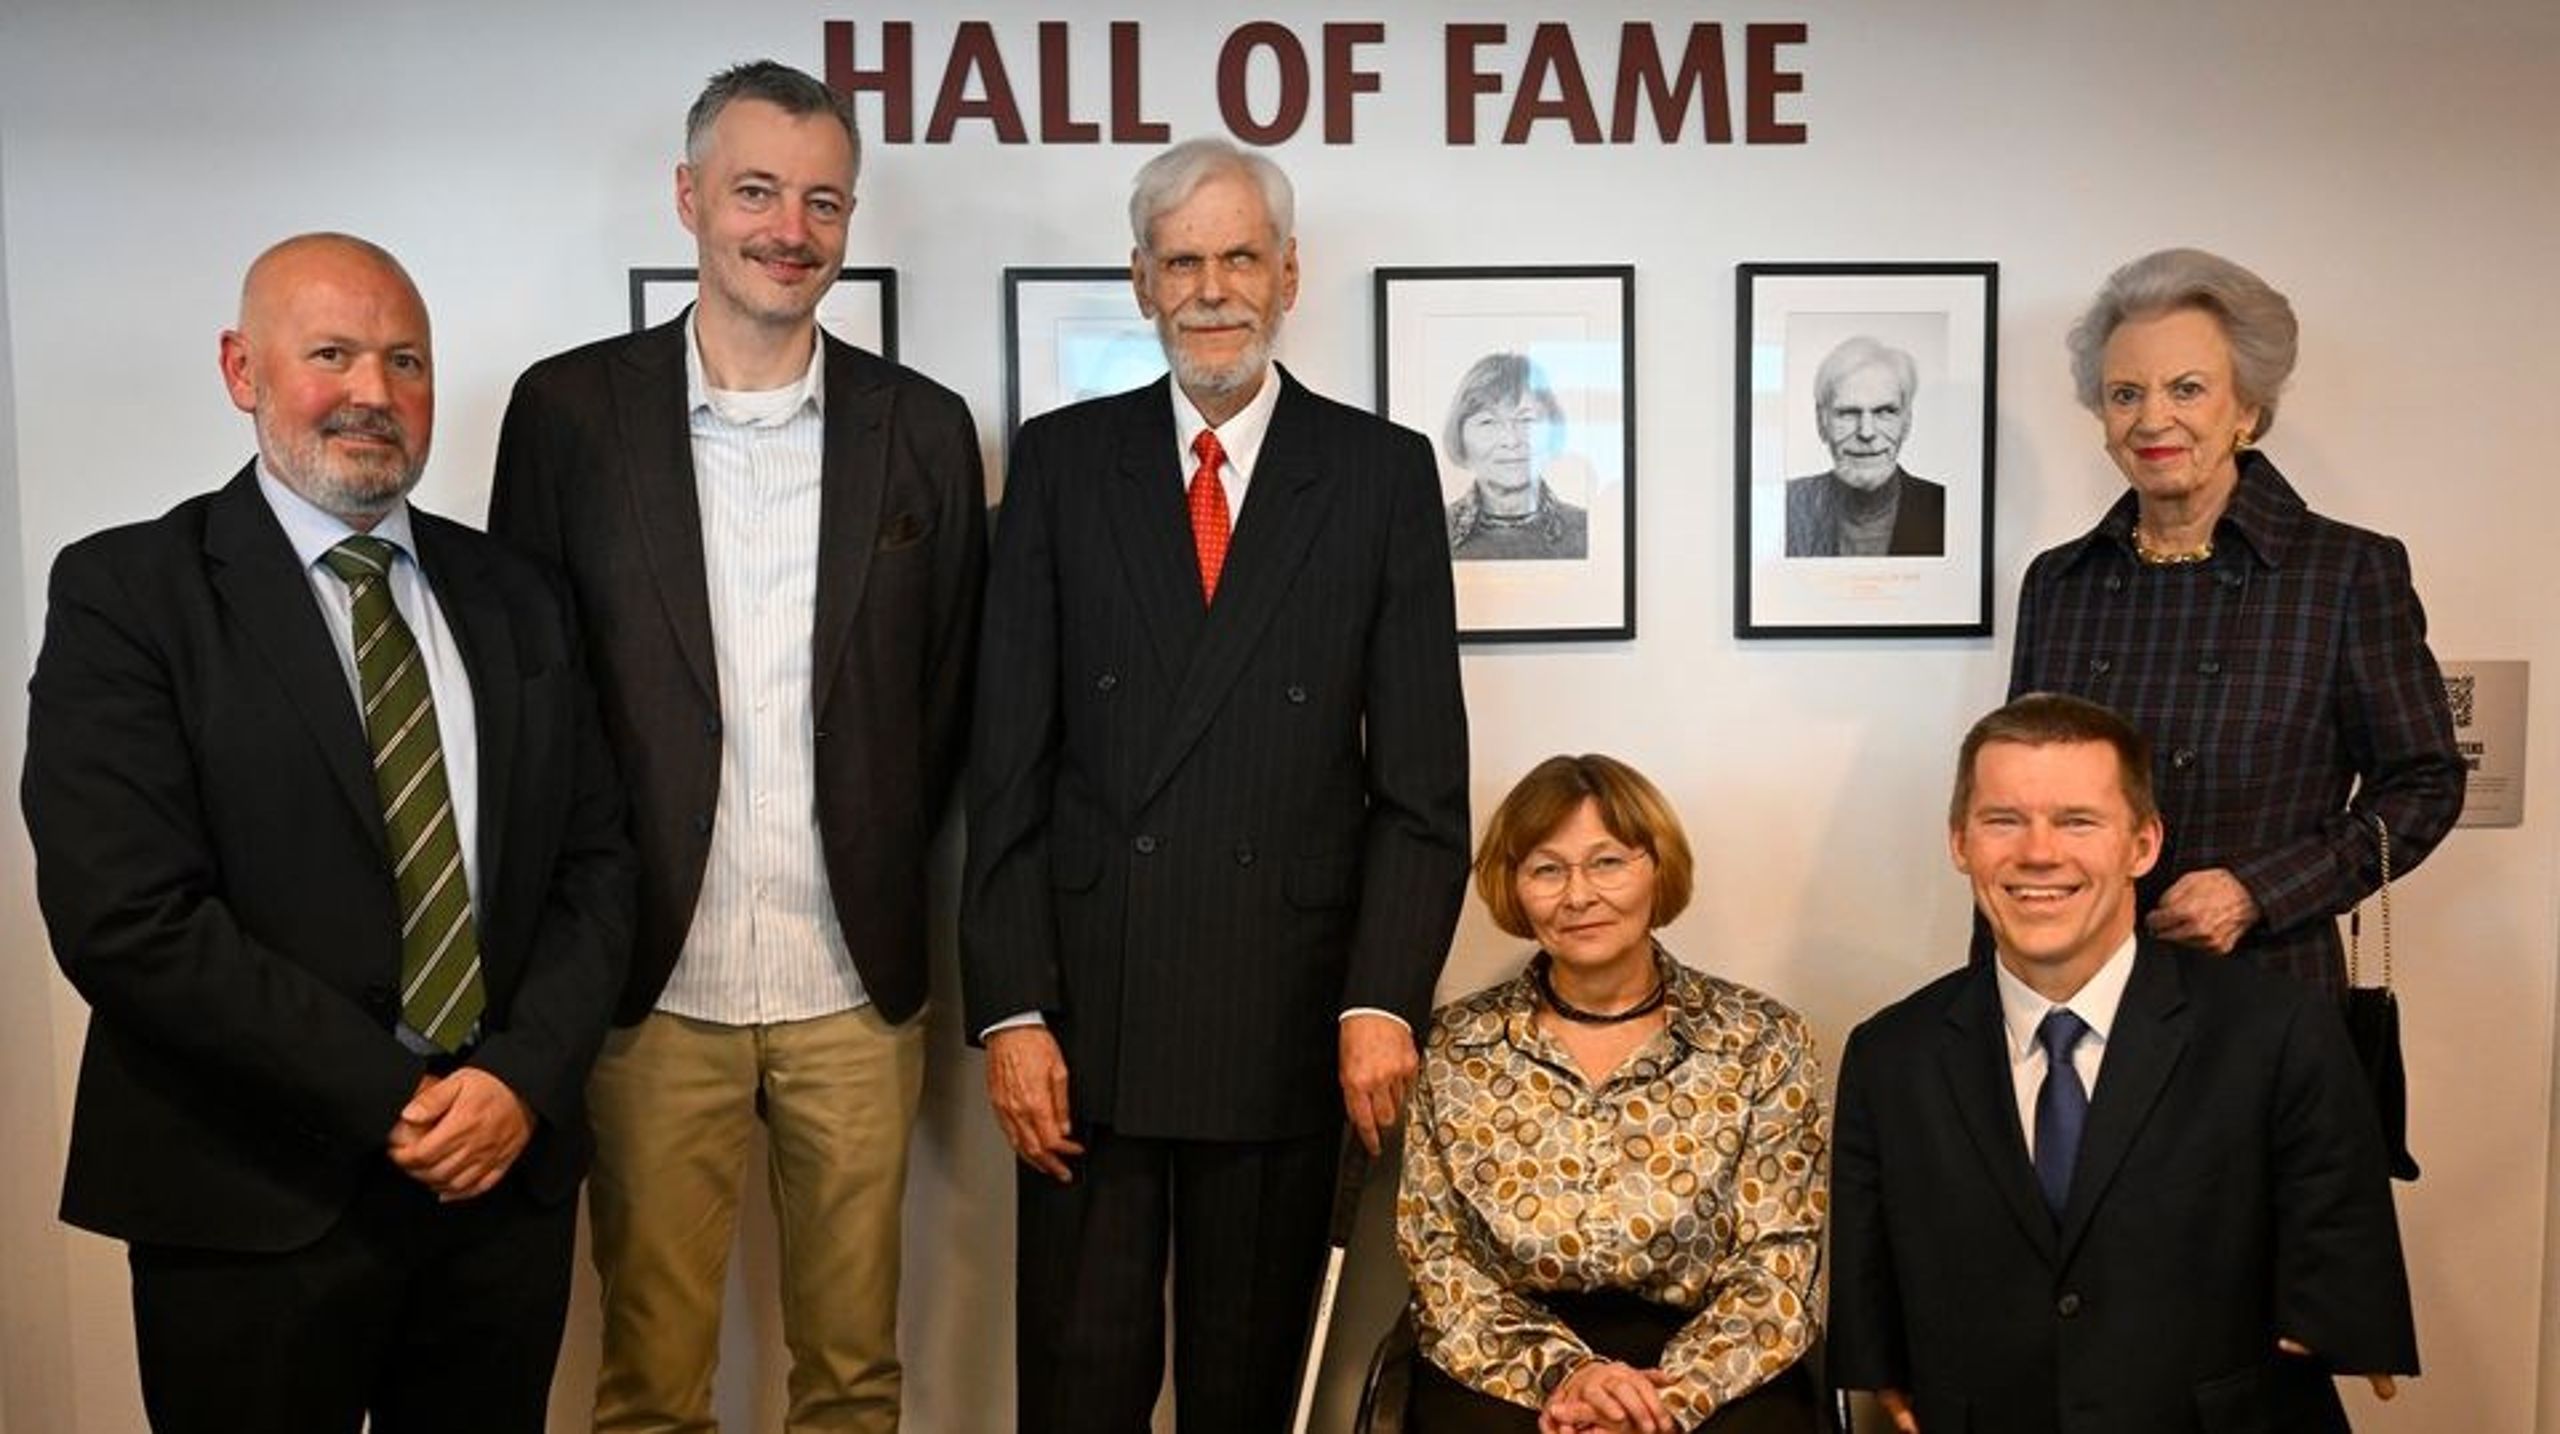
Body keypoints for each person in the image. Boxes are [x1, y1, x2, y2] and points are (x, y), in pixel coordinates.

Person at [21, 233, 634, 1432]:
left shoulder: (517, 595)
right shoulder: (127, 593)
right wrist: (396, 1095)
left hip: (496, 1191)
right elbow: (125, 915)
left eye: (405, 360)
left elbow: (595, 867)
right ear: (240, 369)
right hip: (248, 1194)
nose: (373, 392)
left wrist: (516, 1077)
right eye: (333, 354)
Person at [488, 61, 986, 1432]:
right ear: (690, 197)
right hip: (650, 983)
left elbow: (945, 701)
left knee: (854, 1379)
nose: (791, 227)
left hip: (853, 982)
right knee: (650, 1383)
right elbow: (527, 696)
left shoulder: (924, 431)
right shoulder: (569, 415)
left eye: (824, 199)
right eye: (758, 190)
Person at [962, 136, 1471, 1430]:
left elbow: (1422, 789)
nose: (1211, 287)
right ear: (1140, 281)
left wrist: (1381, 998)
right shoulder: (1064, 462)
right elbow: (1007, 764)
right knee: (1082, 1392)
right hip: (1087, 1020)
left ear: (1289, 273)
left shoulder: (1379, 474)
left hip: (1289, 1021)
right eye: (1180, 260)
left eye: (1239, 255)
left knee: (1251, 1395)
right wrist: (1011, 1007)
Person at [1827, 693, 2417, 1433]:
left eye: (2078, 821)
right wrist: (1875, 1361)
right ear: (1959, 842)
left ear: (2143, 844)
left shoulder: (2277, 1028)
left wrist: (2342, 1314)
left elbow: (2337, 1235)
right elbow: (1868, 1263)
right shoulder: (1890, 1054)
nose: (2038, 853)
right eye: (2003, 820)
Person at [2008, 248, 2462, 994]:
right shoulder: (2060, 582)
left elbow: (2425, 784)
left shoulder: (2343, 572)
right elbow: (2015, 790)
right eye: (2125, 394)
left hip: (2264, 987)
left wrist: (2262, 890)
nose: (2153, 419)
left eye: (2187, 389)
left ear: (2246, 408)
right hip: (2080, 983)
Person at [1398, 755, 1826, 1434]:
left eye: (1607, 863)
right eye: (1546, 869)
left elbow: (1779, 1265)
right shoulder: (1454, 1048)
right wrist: (1570, 1378)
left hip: (1716, 1358)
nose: (1578, 895)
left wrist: (1664, 1402)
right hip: (1509, 1359)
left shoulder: (1762, 1041)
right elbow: (1439, 1258)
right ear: (1514, 888)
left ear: (1658, 870)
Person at [1783, 336, 1945, 557]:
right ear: (1821, 422)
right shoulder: (1787, 506)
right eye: (1848, 413)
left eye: (1885, 412)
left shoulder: (1945, 509)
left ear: (1906, 422)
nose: (1866, 432)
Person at [1443, 351, 1589, 560]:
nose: (1511, 441)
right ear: (1459, 435)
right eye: (1488, 422)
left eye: (1527, 420)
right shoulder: (1430, 530)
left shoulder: (1586, 531)